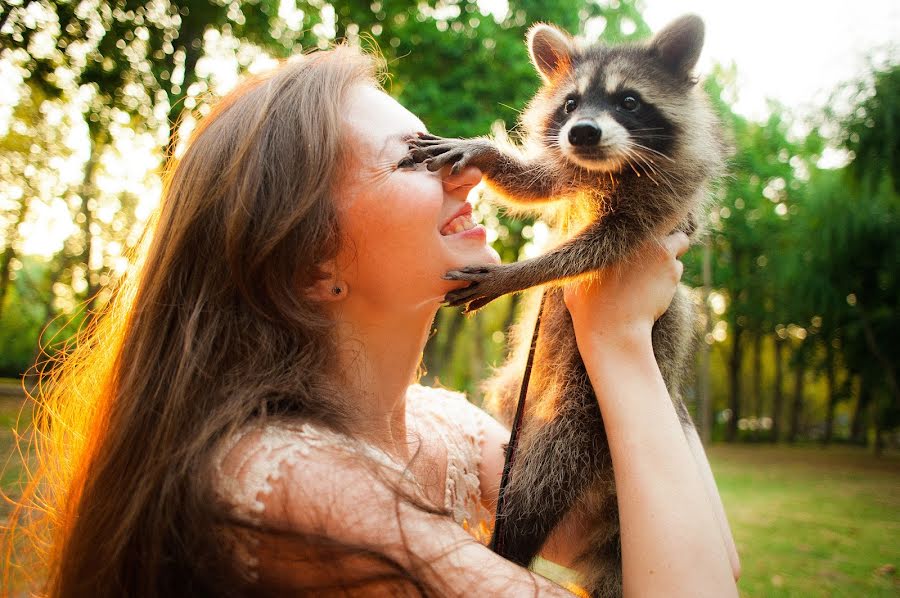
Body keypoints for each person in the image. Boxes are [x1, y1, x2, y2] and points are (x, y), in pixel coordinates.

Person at [6, 46, 739, 597]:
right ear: (311, 262)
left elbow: (693, 552)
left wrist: (637, 339)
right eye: (415, 158)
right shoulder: (292, 482)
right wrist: (616, 342)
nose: (469, 168)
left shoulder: (430, 427)